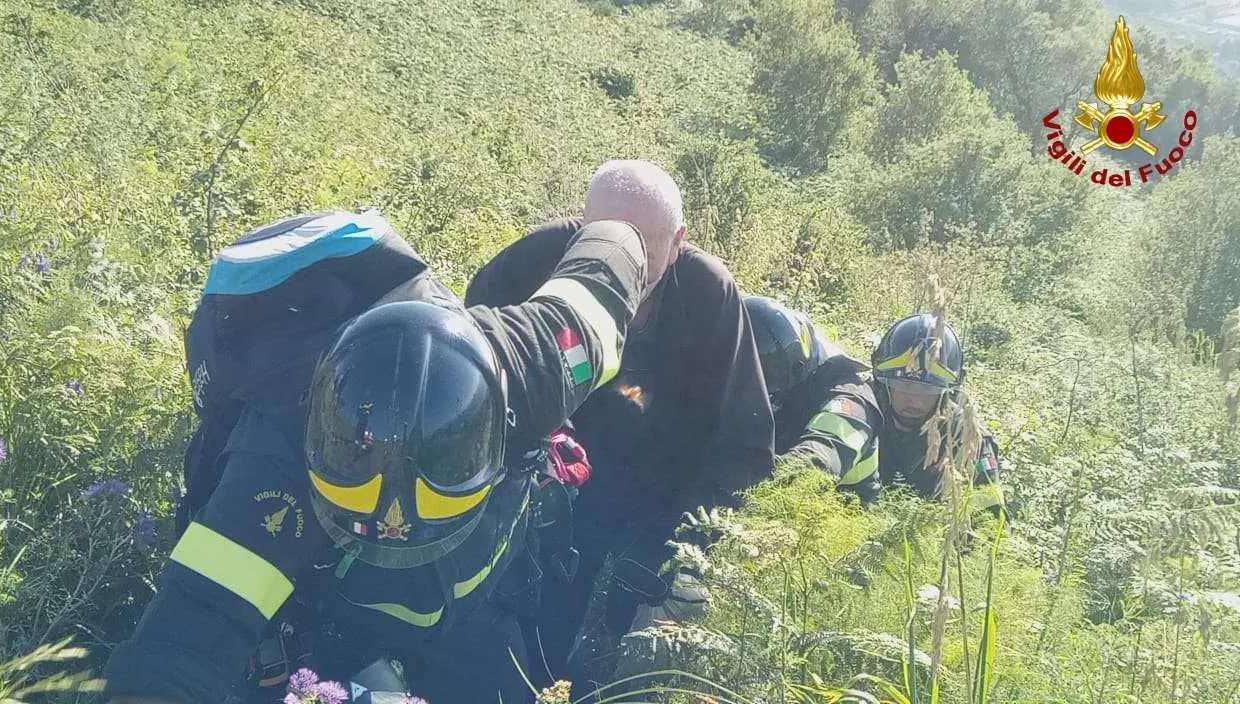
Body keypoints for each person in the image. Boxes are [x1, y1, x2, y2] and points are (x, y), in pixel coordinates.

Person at [102, 207, 661, 704]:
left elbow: (600, 284)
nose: (394, 525)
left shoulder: (533, 361)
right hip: (333, 618)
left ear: (497, 429)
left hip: (477, 613)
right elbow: (182, 641)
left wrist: (624, 223)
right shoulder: (273, 465)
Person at [463, 160, 775, 689]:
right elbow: (470, 369)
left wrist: (688, 549)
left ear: (678, 241)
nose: (628, 261)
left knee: (634, 655)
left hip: (661, 488)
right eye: (608, 236)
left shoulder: (706, 294)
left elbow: (745, 441)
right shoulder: (538, 259)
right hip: (554, 474)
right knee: (526, 638)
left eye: (646, 244)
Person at [743, 295, 883, 502]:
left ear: (796, 367)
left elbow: (819, 457)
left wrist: (744, 496)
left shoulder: (851, 396)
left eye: (768, 378)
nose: (758, 389)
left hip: (838, 515)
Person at [869, 313, 1007, 518]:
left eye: (928, 390)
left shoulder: (967, 437)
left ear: (948, 391)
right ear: (882, 382)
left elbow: (990, 521)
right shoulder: (861, 410)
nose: (915, 400)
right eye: (903, 386)